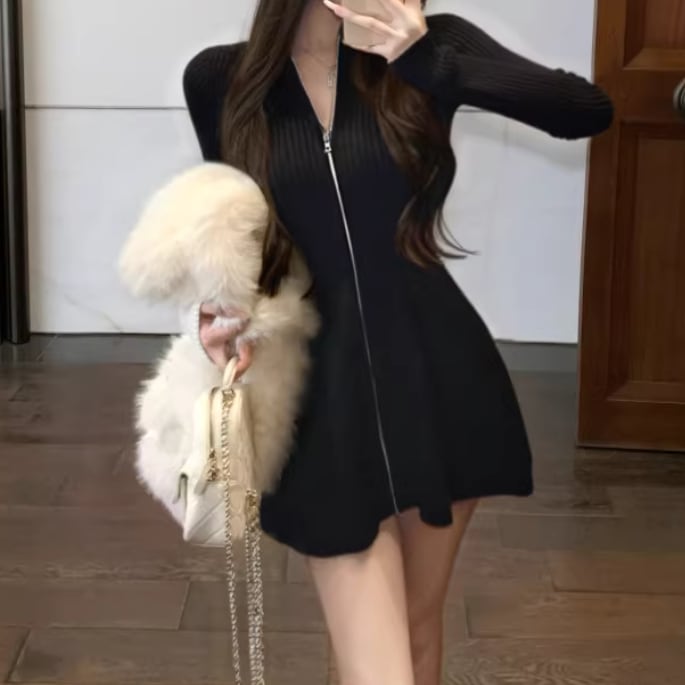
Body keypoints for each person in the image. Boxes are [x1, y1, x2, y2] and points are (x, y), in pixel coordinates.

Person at [182, 1, 613, 683]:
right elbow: (239, 233)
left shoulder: (434, 48)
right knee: (380, 662)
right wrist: (228, 309)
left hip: (438, 379)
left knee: (411, 632)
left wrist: (426, 60)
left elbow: (585, 109)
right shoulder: (220, 80)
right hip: (321, 402)